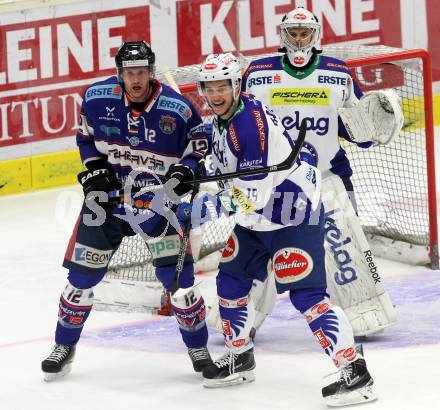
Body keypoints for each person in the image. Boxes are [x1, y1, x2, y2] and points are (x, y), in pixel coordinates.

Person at [178, 52, 376, 406]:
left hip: (291, 217)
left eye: (223, 86)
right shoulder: (230, 115)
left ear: (236, 85)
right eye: (209, 87)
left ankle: (355, 373)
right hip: (256, 220)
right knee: (230, 282)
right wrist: (194, 172)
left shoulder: (247, 127)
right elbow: (230, 170)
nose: (216, 94)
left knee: (308, 298)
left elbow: (250, 197)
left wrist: (195, 207)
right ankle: (241, 357)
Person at [41, 41, 212, 381]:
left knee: (179, 284)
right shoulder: (96, 98)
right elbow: (85, 138)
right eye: (130, 73)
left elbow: (199, 146)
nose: (136, 80)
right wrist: (95, 168)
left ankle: (199, 349)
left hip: (158, 207)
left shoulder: (176, 109)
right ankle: (64, 346)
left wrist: (186, 170)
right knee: (80, 281)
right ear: (120, 74)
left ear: (151, 71)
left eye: (142, 72)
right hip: (108, 204)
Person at [238, 6, 402, 338]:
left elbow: (359, 131)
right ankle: (241, 316)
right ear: (282, 36)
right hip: (274, 182)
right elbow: (240, 123)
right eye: (293, 33)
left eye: (305, 33)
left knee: (346, 248)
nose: (299, 40)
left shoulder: (338, 73)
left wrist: (375, 122)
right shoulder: (257, 73)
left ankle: (362, 314)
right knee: (260, 246)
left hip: (329, 177)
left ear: (317, 36)